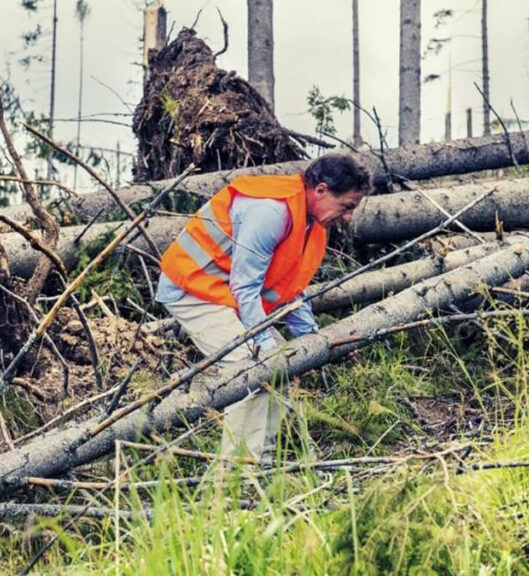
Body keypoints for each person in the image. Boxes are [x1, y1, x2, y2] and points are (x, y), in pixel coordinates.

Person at [155, 153, 372, 461]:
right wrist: (265, 347)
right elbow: (245, 288)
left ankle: (260, 463)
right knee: (252, 369)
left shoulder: (310, 223)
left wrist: (313, 341)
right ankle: (237, 475)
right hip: (193, 289)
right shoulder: (271, 212)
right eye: (347, 206)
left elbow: (287, 291)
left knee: (279, 366)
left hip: (225, 293)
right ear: (321, 190)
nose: (349, 217)